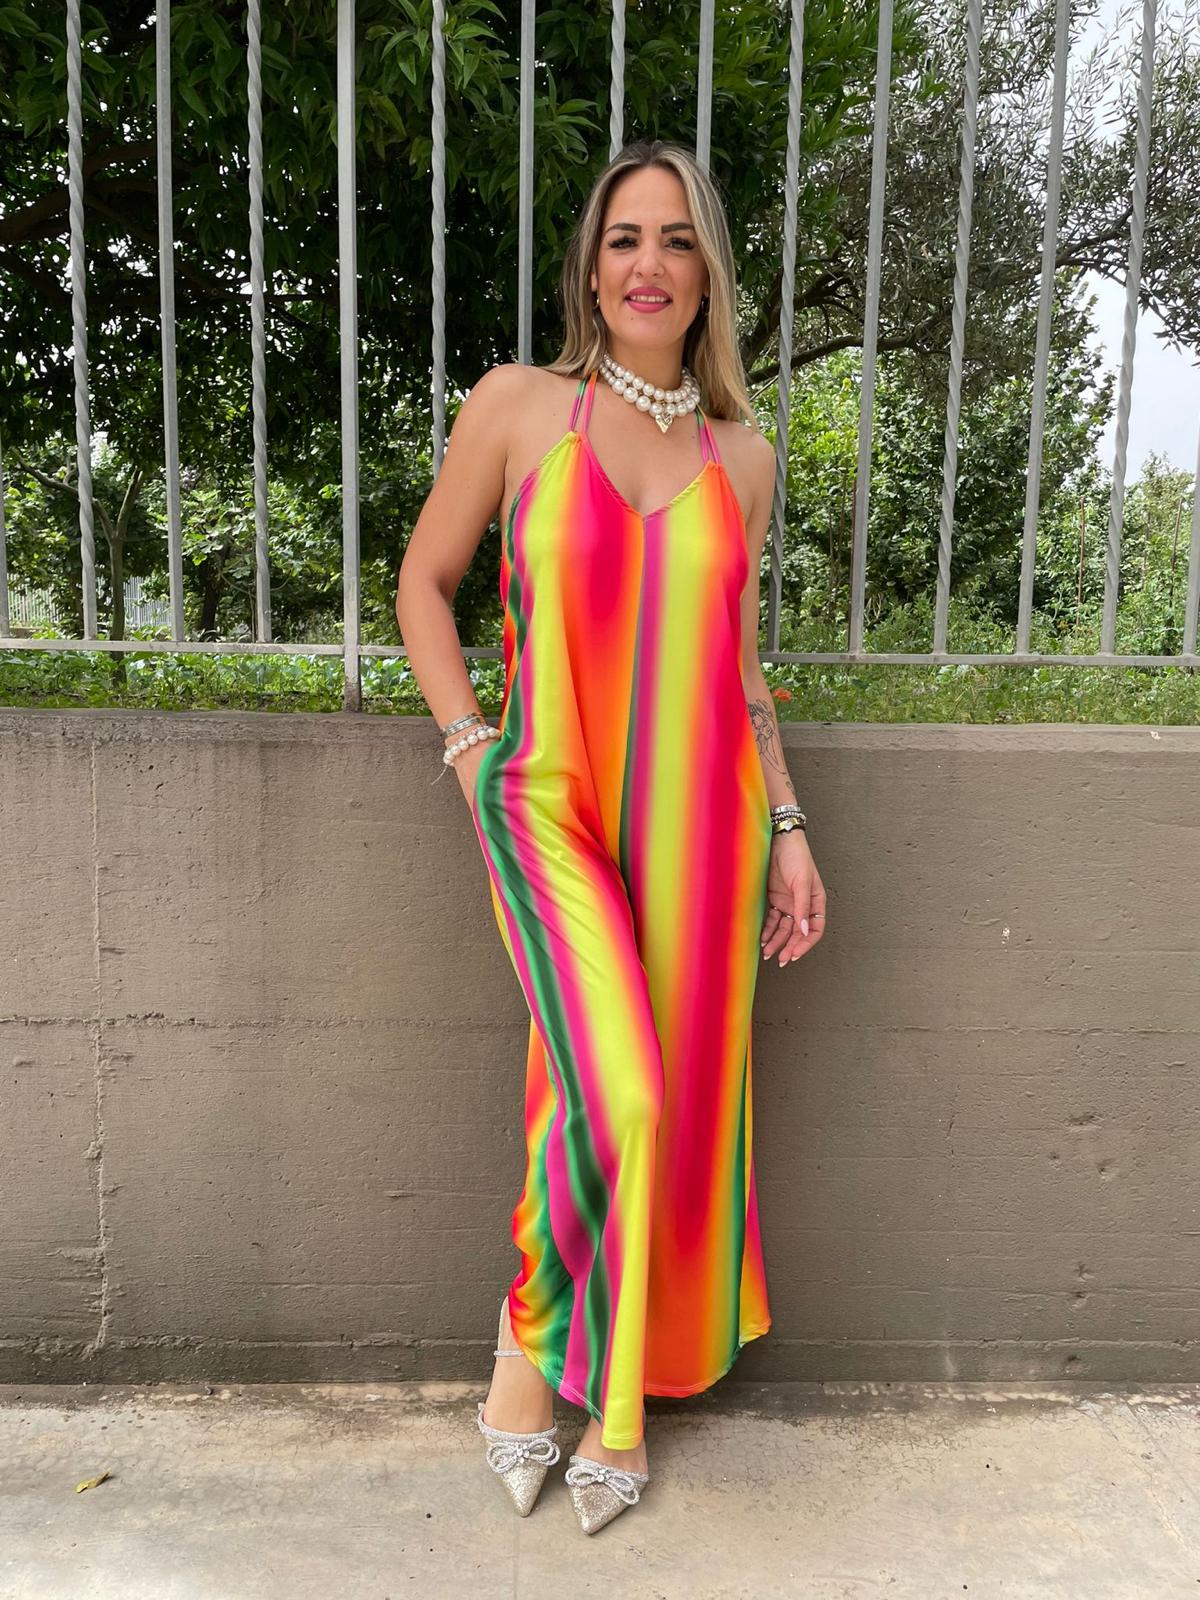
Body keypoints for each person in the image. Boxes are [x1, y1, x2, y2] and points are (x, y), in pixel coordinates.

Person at [395, 137, 826, 1534]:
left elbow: (740, 671)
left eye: (677, 240)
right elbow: (424, 581)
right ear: (592, 268)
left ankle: (618, 1396)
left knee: (670, 1112)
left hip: (705, 834)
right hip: (547, 804)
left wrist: (791, 826)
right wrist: (468, 743)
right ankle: (529, 1352)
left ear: (708, 277)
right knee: (618, 1094)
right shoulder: (520, 407)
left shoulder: (742, 458)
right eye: (626, 238)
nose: (649, 264)